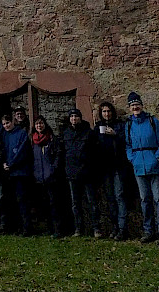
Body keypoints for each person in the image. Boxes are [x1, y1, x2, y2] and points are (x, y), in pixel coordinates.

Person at [124, 92, 159, 243]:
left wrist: (158, 157)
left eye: (137, 104)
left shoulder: (152, 121)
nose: (135, 107)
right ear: (130, 108)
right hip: (139, 166)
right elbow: (128, 145)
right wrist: (132, 158)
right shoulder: (128, 125)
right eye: (132, 105)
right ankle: (148, 231)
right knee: (145, 200)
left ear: (142, 105)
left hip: (154, 164)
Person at [91, 101, 128, 239]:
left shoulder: (120, 126)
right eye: (104, 112)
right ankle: (114, 227)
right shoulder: (98, 128)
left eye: (108, 111)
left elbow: (127, 142)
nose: (107, 114)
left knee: (120, 196)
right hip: (105, 168)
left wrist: (115, 134)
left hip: (118, 166)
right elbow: (94, 147)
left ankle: (123, 228)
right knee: (110, 198)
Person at [62, 108, 100, 238]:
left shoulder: (88, 133)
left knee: (92, 202)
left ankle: (96, 228)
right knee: (75, 204)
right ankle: (78, 228)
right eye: (71, 116)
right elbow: (64, 153)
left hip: (87, 172)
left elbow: (95, 152)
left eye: (76, 116)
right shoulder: (66, 133)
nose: (74, 119)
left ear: (80, 118)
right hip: (72, 173)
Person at [30, 114, 65, 238]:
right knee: (44, 205)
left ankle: (58, 229)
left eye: (41, 123)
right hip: (39, 177)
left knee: (54, 204)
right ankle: (49, 228)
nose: (39, 126)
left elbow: (58, 155)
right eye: (37, 124)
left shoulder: (51, 139)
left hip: (51, 177)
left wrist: (53, 168)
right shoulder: (33, 141)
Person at [1, 112, 34, 235]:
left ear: (13, 122)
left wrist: (11, 164)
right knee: (11, 202)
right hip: (9, 174)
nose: (6, 126)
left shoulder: (21, 133)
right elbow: (3, 151)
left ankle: (26, 228)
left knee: (23, 201)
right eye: (4, 124)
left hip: (20, 173)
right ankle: (14, 227)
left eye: (8, 123)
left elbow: (22, 152)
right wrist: (4, 163)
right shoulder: (4, 135)